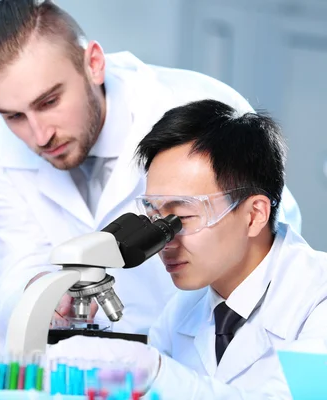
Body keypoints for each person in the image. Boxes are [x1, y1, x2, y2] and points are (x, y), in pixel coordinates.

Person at [0, 0, 302, 336]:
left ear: (94, 64)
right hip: (97, 352)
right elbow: (19, 263)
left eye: (50, 102)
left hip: (206, 345)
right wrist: (43, 290)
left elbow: (269, 243)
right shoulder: (4, 144)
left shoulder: (196, 110)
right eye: (14, 116)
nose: (40, 135)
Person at [47, 99, 327, 399]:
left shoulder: (317, 299)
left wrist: (153, 372)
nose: (164, 241)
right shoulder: (182, 311)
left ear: (254, 215)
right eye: (156, 216)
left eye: (182, 217)